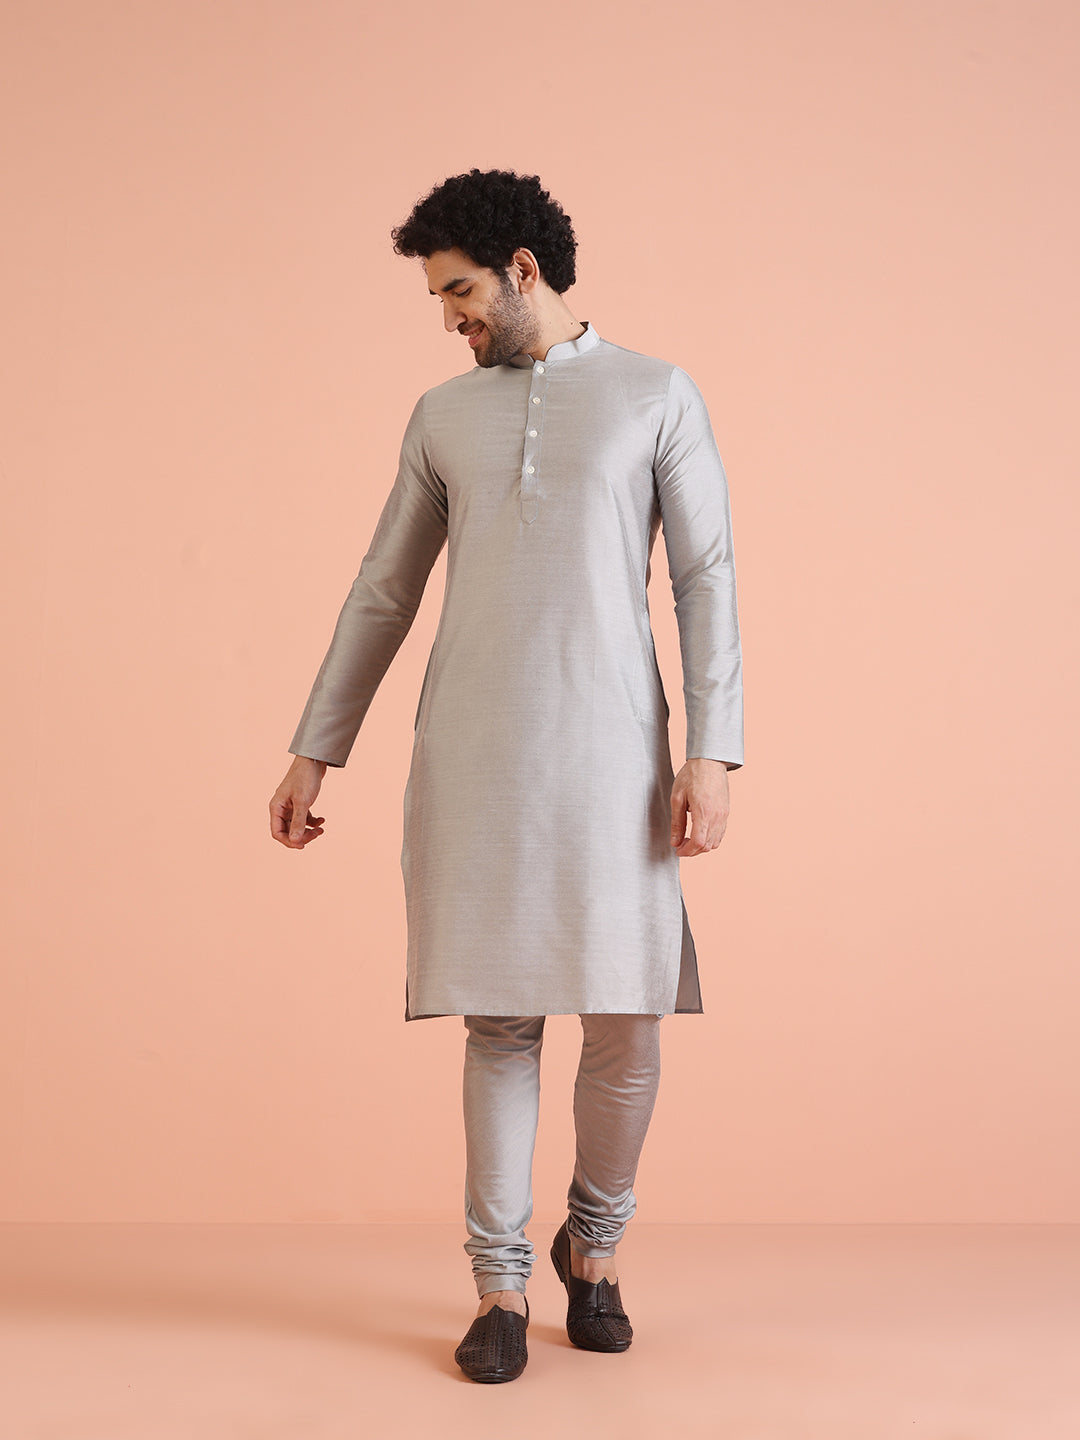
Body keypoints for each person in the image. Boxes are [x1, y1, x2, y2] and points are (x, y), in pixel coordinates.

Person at [269, 168, 744, 1383]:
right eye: (441, 298)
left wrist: (712, 751)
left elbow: (705, 579)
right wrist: (316, 747)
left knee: (627, 1018)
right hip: (475, 754)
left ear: (522, 270)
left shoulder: (656, 394)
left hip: (617, 757)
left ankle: (597, 1249)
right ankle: (498, 1287)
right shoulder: (443, 416)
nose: (450, 319)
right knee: (499, 1020)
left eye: (460, 292)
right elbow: (384, 589)